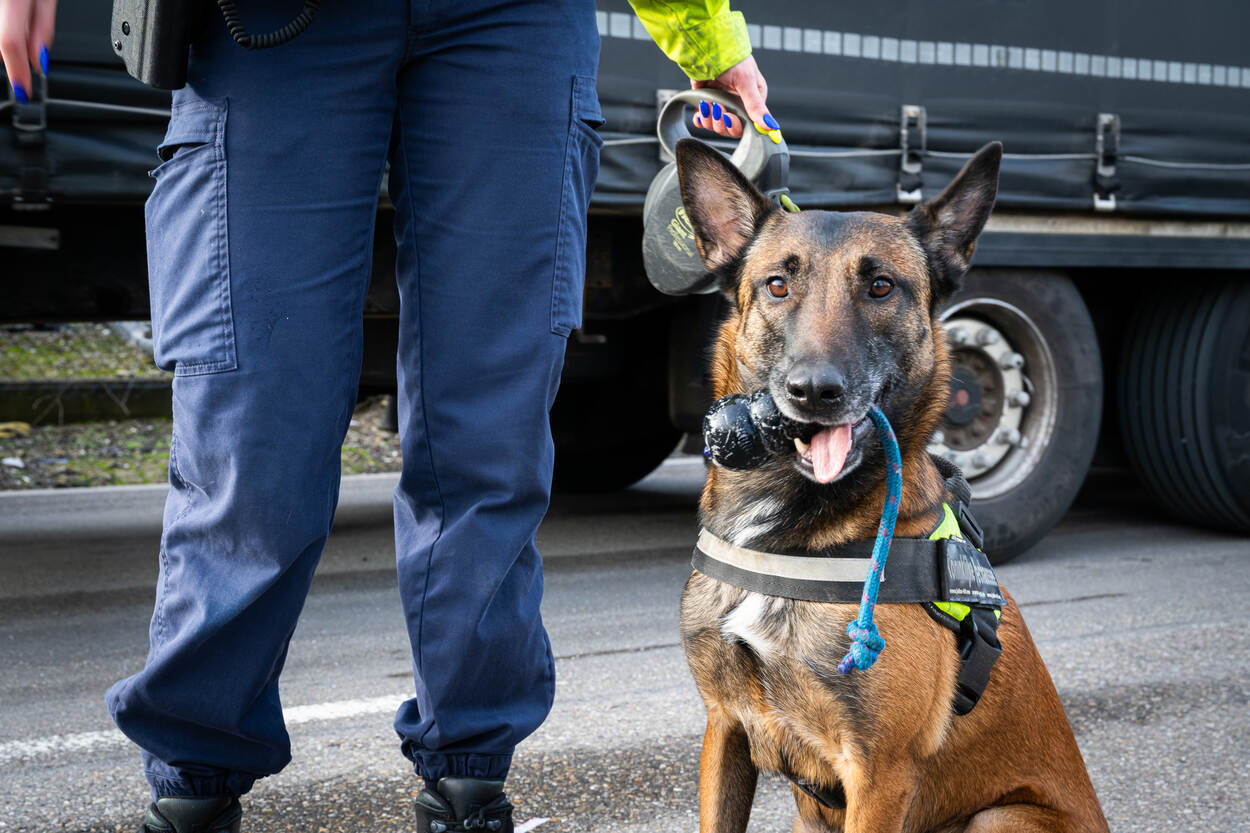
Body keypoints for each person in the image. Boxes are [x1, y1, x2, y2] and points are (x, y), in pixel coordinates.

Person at [0, 1, 776, 831]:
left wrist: (705, 33)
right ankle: (194, 788)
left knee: (490, 444)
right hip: (275, 22)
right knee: (255, 436)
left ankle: (469, 786)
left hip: (510, 20)